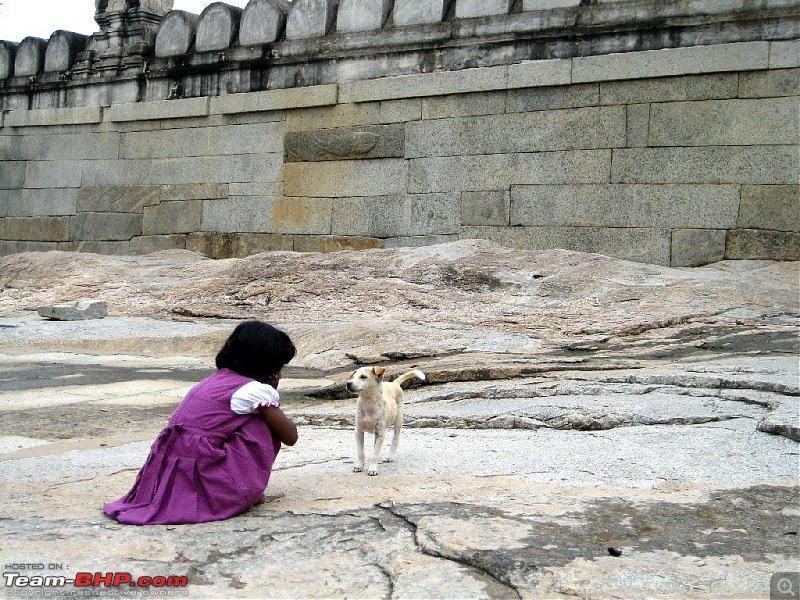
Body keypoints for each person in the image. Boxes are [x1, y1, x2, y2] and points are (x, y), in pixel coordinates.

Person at [103, 320, 299, 525]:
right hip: (202, 475)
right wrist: (271, 393)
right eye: (279, 367)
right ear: (267, 366)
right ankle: (243, 492)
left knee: (251, 417)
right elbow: (290, 436)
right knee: (260, 425)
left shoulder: (215, 380)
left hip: (173, 472)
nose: (281, 374)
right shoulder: (255, 390)